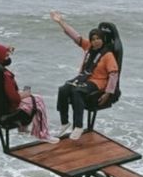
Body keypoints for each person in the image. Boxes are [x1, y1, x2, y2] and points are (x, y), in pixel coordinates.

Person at [50, 10, 120, 140]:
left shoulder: (108, 55)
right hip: (84, 78)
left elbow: (114, 74)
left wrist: (108, 93)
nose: (96, 42)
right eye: (93, 39)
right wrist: (61, 22)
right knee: (64, 89)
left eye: (98, 39)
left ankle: (78, 126)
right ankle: (65, 123)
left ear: (103, 40)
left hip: (98, 82)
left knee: (77, 91)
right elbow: (75, 36)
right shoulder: (88, 47)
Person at [0, 44, 60, 144]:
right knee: (38, 100)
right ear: (0, 59)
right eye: (6, 56)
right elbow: (14, 98)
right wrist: (25, 94)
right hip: (8, 109)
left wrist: (6, 50)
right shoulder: (4, 75)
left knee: (28, 97)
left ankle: (22, 129)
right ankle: (42, 134)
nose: (8, 57)